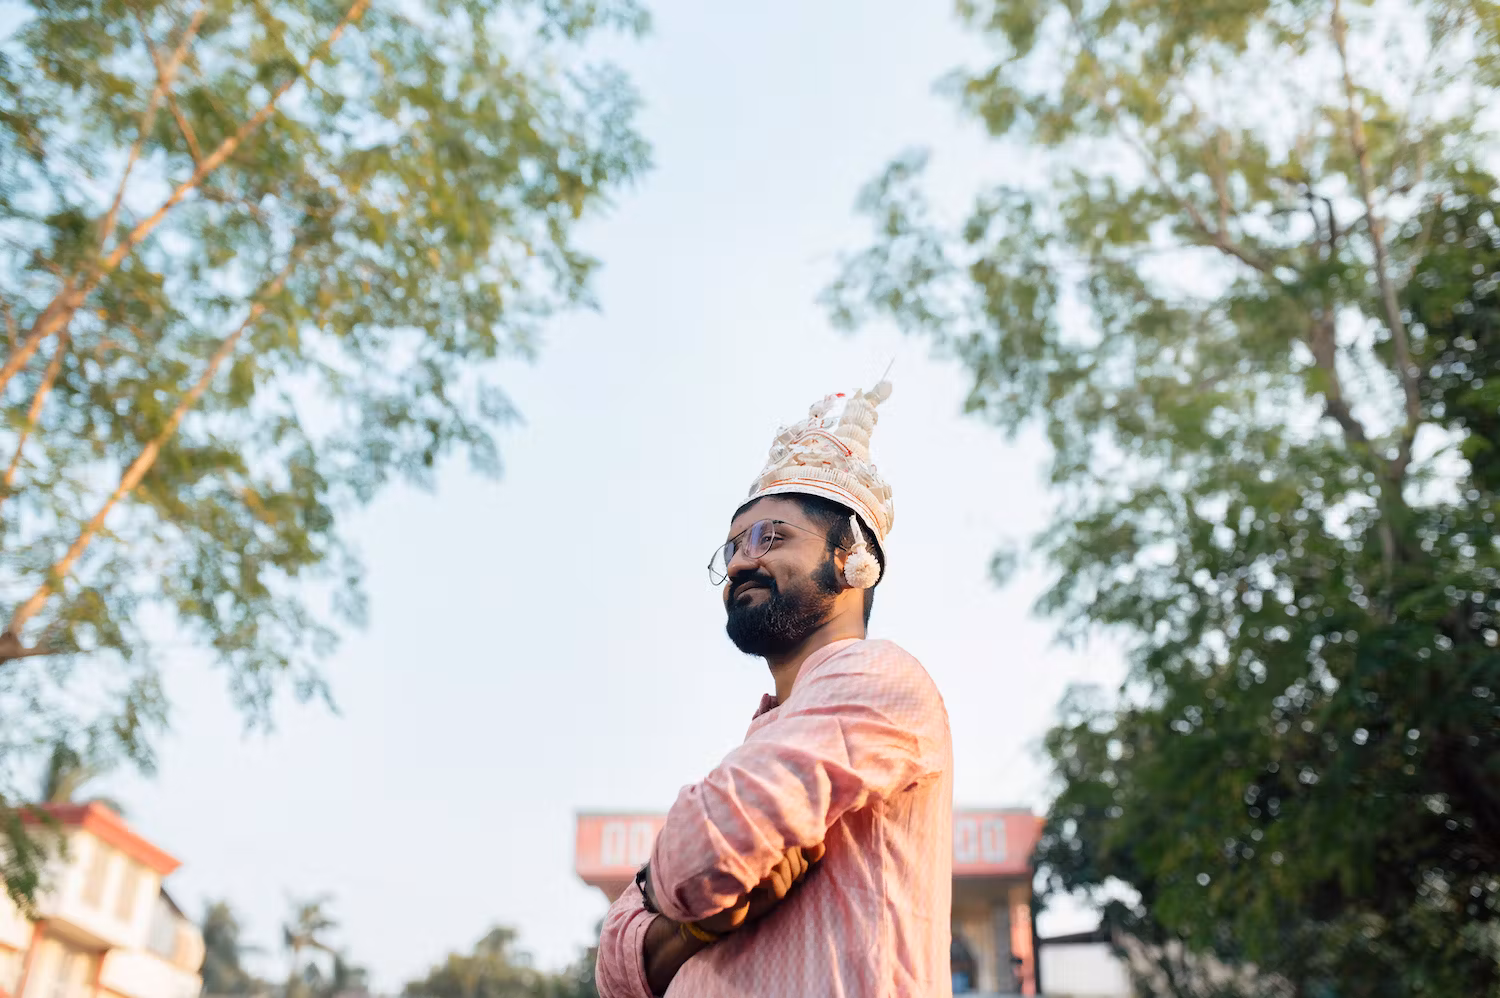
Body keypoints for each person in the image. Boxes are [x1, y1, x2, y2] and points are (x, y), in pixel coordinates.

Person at [595, 381, 954, 997]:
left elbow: (696, 856)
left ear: (853, 559)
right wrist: (691, 932)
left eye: (772, 538)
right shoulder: (769, 739)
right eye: (732, 548)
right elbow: (615, 974)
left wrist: (654, 891)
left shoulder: (879, 680)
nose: (739, 563)